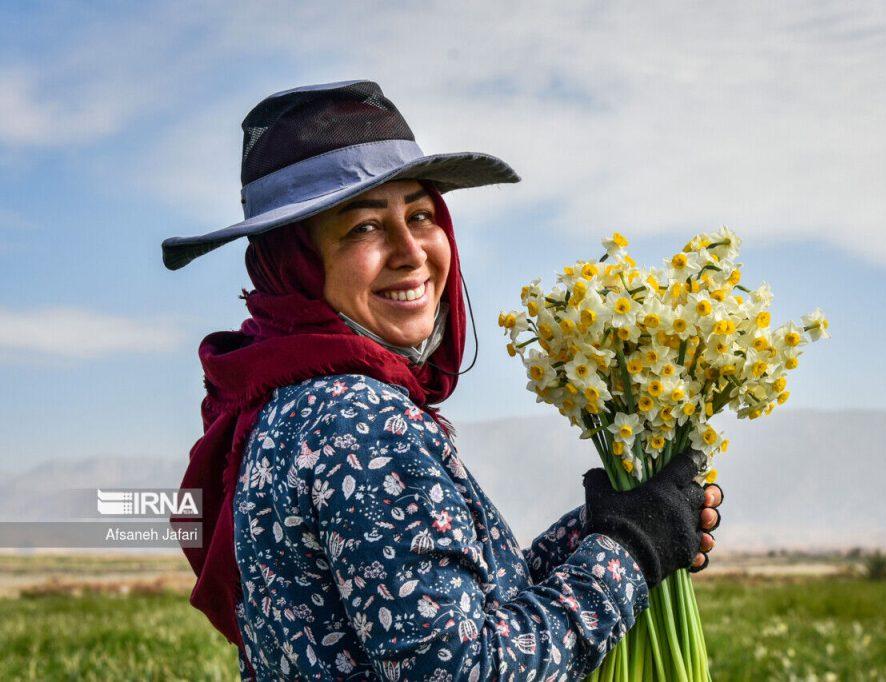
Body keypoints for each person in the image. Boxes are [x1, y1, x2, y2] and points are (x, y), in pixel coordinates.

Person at [164, 81, 724, 681]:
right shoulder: (362, 423)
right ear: (293, 263)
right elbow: (466, 670)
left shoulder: (290, 404)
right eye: (364, 227)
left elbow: (440, 609)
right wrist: (631, 551)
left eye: (420, 216)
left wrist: (610, 523)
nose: (411, 251)